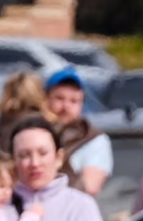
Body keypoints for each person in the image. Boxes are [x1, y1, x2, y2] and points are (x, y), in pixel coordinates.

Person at [44, 66, 113, 197]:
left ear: (82, 105)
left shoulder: (94, 140)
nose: (66, 106)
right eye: (59, 98)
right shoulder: (32, 134)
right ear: (46, 100)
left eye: (74, 101)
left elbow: (90, 187)